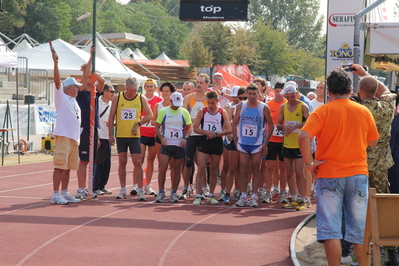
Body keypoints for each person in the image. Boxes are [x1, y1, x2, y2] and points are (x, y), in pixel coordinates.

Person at [298, 68, 379, 266]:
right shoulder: (363, 111)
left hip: (329, 174)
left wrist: (310, 164)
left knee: (331, 230)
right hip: (358, 174)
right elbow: (373, 141)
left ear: (329, 92)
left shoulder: (323, 111)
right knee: (359, 230)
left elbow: (303, 136)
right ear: (351, 89)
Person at [108, 77, 153, 201]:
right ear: (126, 87)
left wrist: (138, 124)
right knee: (122, 161)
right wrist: (110, 134)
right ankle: (122, 189)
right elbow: (111, 116)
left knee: (137, 162)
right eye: (130, 90)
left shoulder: (140, 98)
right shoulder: (118, 97)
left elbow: (150, 114)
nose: (132, 92)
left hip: (135, 136)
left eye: (134, 90)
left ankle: (140, 191)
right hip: (121, 135)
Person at [232, 83, 274, 207]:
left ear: (258, 94)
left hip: (257, 144)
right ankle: (243, 196)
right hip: (243, 143)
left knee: (256, 169)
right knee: (243, 170)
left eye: (254, 94)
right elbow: (234, 123)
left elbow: (271, 125)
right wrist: (235, 140)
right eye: (249, 94)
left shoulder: (263, 107)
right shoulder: (241, 105)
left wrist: (265, 143)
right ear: (246, 94)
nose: (251, 96)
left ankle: (254, 197)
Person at [50, 50, 82, 205]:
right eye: (76, 87)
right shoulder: (61, 97)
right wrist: (56, 63)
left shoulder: (74, 101)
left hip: (74, 139)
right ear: (68, 88)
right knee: (59, 167)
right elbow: (57, 82)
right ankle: (56, 194)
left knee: (68, 168)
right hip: (63, 136)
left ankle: (65, 192)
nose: (78, 89)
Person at [75, 47, 105, 200]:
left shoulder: (95, 92)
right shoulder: (80, 92)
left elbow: (102, 82)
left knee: (92, 161)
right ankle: (81, 188)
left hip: (94, 128)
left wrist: (96, 74)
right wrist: (90, 58)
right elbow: (85, 76)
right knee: (84, 160)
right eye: (89, 78)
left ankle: (89, 188)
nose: (91, 80)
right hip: (85, 128)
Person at [192, 91, 231, 205]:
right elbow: (195, 128)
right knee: (201, 168)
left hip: (217, 142)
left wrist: (218, 133)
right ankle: (198, 195)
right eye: (208, 103)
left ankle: (211, 194)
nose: (210, 106)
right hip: (205, 140)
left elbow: (229, 129)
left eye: (212, 103)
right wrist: (206, 132)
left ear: (217, 101)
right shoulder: (202, 111)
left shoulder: (222, 112)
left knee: (214, 170)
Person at [277, 83, 310, 211]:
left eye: (292, 96)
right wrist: (284, 127)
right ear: (285, 95)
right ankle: (294, 198)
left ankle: (303, 199)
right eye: (288, 97)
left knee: (299, 171)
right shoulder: (283, 107)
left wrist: (295, 127)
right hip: (287, 143)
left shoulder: (303, 106)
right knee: (289, 172)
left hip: (299, 143)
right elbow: (278, 125)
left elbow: (310, 121)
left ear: (296, 94)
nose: (290, 99)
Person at [154, 92, 192, 203]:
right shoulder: (163, 111)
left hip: (179, 144)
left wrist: (185, 138)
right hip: (167, 144)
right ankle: (161, 192)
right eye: (175, 104)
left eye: (178, 104)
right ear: (170, 101)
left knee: (176, 169)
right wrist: (161, 138)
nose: (176, 106)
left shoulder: (184, 112)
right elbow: (156, 127)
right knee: (163, 167)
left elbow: (190, 128)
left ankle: (174, 192)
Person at [181, 73, 209, 199]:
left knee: (202, 164)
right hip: (191, 135)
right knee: (188, 162)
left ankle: (204, 187)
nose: (198, 85)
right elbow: (182, 114)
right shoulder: (189, 98)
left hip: (203, 135)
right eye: (197, 82)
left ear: (207, 85)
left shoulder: (209, 98)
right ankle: (186, 187)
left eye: (201, 82)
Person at [262, 82, 288, 204]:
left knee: (283, 168)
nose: (278, 93)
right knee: (270, 167)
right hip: (271, 140)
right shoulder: (268, 105)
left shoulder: (288, 105)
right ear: (273, 91)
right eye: (276, 91)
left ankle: (282, 192)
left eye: (281, 91)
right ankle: (268, 192)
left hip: (284, 141)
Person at [138, 78, 162, 196]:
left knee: (151, 160)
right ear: (144, 87)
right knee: (139, 159)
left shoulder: (159, 101)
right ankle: (136, 185)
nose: (149, 88)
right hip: (141, 133)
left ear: (155, 88)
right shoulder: (140, 99)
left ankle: (147, 185)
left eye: (151, 86)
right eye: (147, 86)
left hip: (153, 134)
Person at [93, 84, 114, 195]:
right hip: (99, 136)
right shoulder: (97, 103)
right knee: (98, 163)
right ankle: (95, 186)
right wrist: (97, 138)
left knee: (107, 163)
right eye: (112, 91)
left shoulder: (111, 104)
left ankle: (102, 185)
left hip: (107, 136)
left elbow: (112, 120)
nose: (113, 94)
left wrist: (112, 130)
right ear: (105, 92)